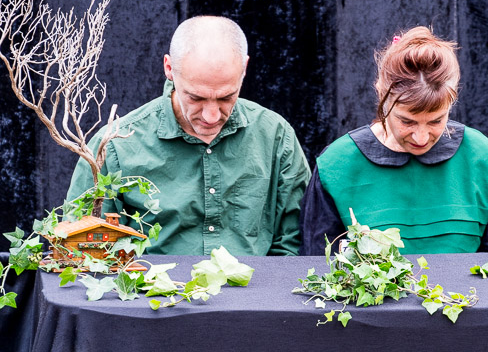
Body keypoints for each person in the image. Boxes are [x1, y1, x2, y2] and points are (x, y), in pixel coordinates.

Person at [66, 16, 311, 256]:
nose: (212, 115)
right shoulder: (115, 145)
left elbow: (296, 242)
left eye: (226, 97)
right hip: (150, 295)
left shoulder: (275, 136)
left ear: (244, 68)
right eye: (196, 98)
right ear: (169, 68)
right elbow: (84, 249)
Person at [300, 26, 488, 255]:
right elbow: (316, 265)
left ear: (453, 100)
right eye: (407, 121)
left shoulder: (485, 160)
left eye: (435, 121)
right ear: (381, 94)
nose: (421, 138)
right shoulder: (337, 165)